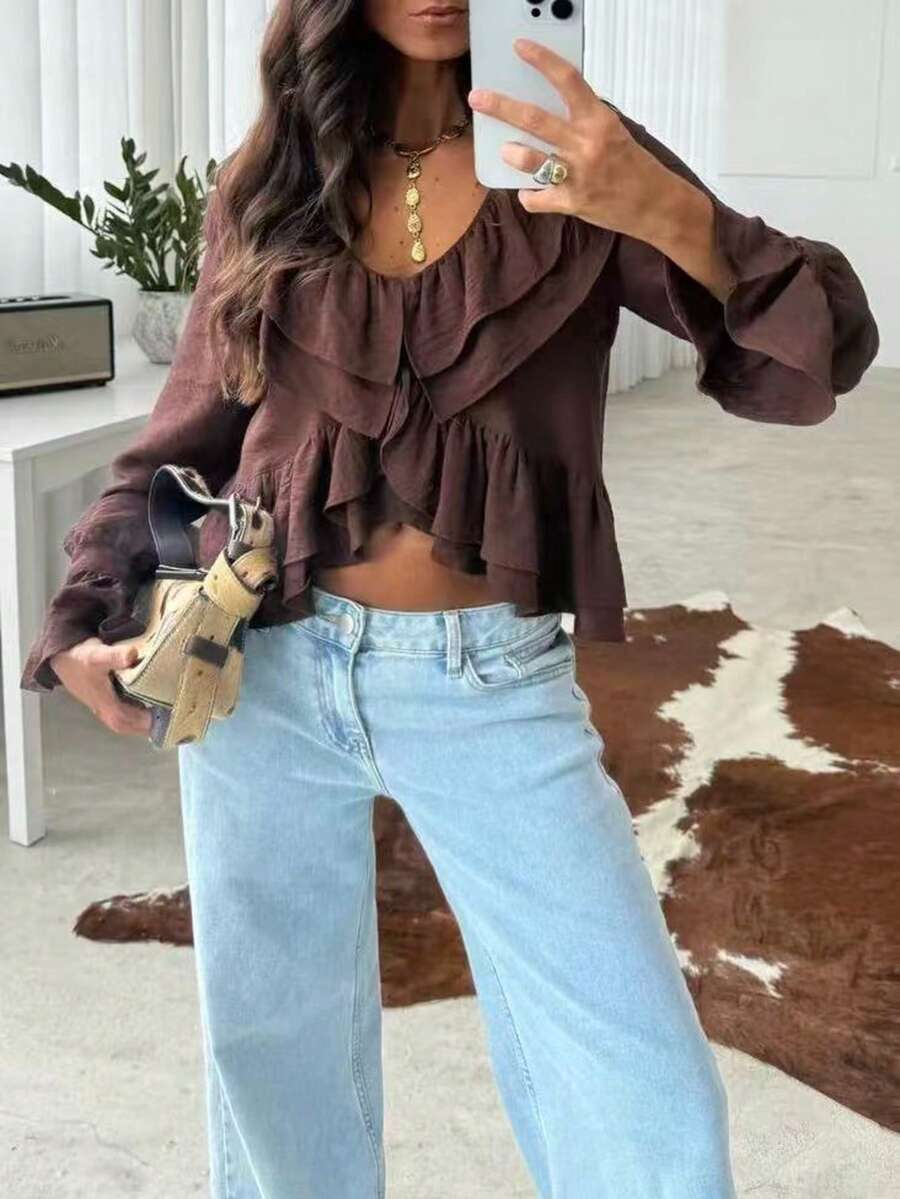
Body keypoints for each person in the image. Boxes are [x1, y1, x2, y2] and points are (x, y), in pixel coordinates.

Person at [20, 2, 879, 1196]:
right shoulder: (275, 180)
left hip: (489, 680)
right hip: (263, 670)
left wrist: (669, 212)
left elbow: (814, 356)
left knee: (642, 1088)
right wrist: (85, 610)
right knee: (272, 1056)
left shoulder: (580, 155)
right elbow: (191, 430)